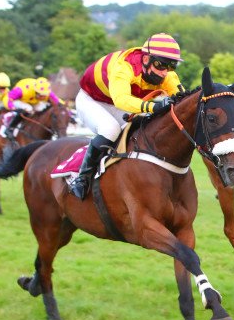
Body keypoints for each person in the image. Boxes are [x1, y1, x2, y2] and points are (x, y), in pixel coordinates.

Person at [70, 32, 185, 200]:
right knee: (110, 129)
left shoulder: (168, 76)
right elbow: (121, 100)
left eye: (171, 66)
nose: (164, 72)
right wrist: (154, 106)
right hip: (92, 99)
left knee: (144, 127)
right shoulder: (124, 67)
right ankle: (82, 178)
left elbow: (182, 100)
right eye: (161, 65)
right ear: (146, 59)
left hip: (120, 104)